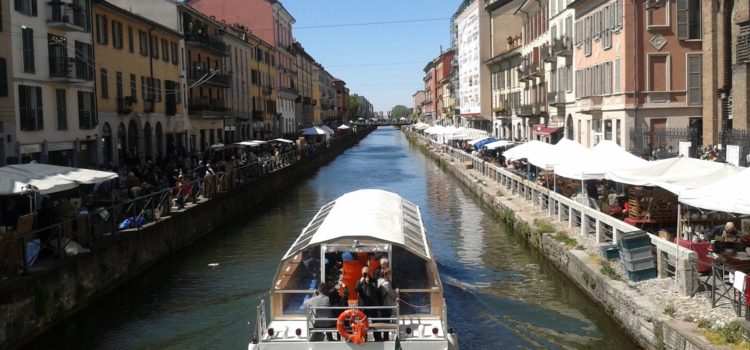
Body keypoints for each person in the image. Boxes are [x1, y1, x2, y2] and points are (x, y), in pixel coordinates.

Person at [355, 266, 379, 341]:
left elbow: (375, 290)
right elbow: (356, 289)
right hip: (363, 305)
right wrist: (360, 283)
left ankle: (377, 337)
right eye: (364, 273)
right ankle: (364, 337)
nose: (366, 274)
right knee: (363, 323)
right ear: (362, 273)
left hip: (372, 304)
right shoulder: (359, 281)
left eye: (367, 272)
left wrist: (368, 283)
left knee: (375, 322)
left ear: (369, 273)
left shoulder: (374, 280)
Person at [376, 268, 398, 341]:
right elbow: (392, 295)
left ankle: (380, 337)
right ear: (386, 274)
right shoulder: (386, 283)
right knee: (387, 322)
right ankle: (386, 338)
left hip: (380, 305)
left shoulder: (378, 281)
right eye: (390, 274)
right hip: (387, 305)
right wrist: (397, 293)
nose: (391, 275)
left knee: (381, 321)